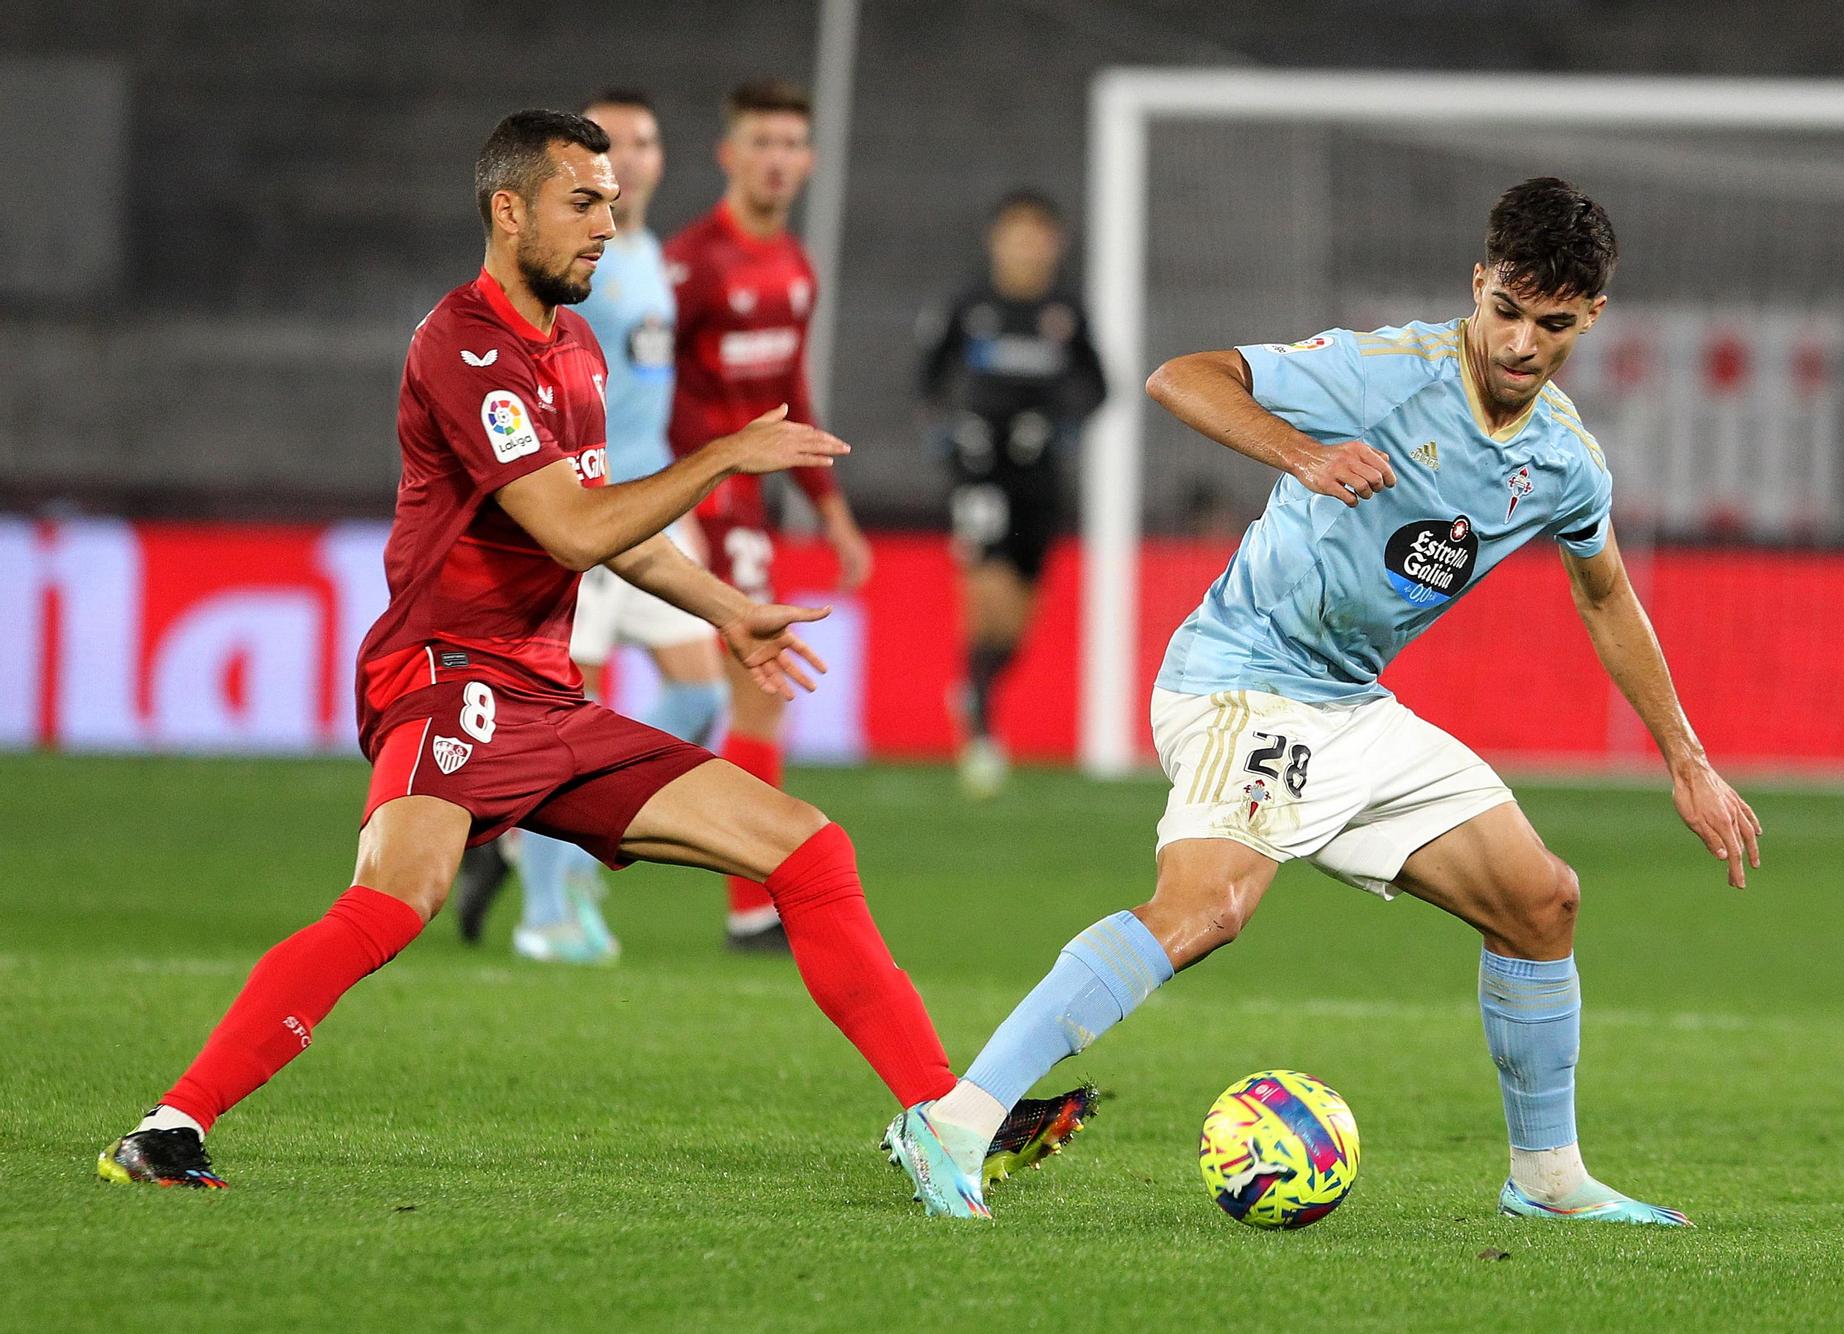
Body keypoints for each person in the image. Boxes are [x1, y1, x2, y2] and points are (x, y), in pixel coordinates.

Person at [97, 109, 1091, 1203]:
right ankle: (169, 1123)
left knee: (807, 848)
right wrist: (722, 455)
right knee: (396, 895)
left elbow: (611, 523)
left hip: (546, 693)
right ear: (507, 207)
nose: (608, 225)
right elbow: (569, 527)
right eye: (584, 200)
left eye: (612, 201)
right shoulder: (458, 346)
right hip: (448, 676)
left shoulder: (571, 348)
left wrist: (728, 607)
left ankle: (941, 1115)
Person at [886, 178, 1764, 1225]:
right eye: (1507, 310)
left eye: (1554, 323)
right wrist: (1301, 452)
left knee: (1541, 902)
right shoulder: (1379, 371)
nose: (1523, 343)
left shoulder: (1561, 458)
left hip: (1349, 703)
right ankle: (949, 1122)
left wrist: (1684, 754)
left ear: (1591, 318)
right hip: (1242, 680)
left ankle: (1546, 1179)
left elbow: (1605, 589)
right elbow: (1181, 378)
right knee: (1205, 909)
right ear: (1477, 283)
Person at [458, 88, 733, 965]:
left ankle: (550, 832)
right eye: (616, 143)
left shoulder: (647, 254)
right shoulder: (576, 261)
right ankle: (548, 911)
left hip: (645, 505)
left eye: (647, 143)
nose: (635, 156)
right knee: (556, 719)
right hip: (586, 504)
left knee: (702, 694)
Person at [664, 78, 872, 953]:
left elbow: (790, 391)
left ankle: (528, 843)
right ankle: (752, 907)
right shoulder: (690, 265)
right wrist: (688, 489)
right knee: (753, 688)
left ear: (809, 160)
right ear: (730, 154)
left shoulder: (793, 266)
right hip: (690, 497)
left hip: (751, 504)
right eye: (763, 142)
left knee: (738, 694)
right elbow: (649, 387)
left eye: (793, 143)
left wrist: (832, 511)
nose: (779, 159)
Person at [917, 190, 1106, 797]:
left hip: (1040, 476)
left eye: (1038, 235)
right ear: (996, 239)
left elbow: (1099, 385)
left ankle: (978, 685)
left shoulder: (1065, 311)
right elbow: (927, 378)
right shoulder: (969, 305)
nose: (1027, 247)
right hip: (981, 474)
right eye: (1016, 234)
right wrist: (950, 434)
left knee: (1019, 625)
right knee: (987, 595)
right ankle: (980, 733)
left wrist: (1061, 426)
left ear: (1055, 245)